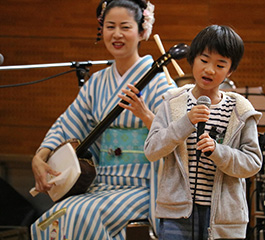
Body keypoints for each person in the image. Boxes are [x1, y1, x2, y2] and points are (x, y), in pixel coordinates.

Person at [30, 0, 177, 239]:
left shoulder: (159, 81)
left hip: (143, 186)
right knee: (52, 218)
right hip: (102, 184)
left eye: (125, 27)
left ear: (142, 31)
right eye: (110, 26)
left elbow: (172, 135)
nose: (117, 34)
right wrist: (40, 156)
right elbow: (68, 122)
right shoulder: (97, 83)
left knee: (81, 215)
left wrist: (146, 115)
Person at [144, 25, 263, 240]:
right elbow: (152, 150)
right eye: (204, 60)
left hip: (224, 215)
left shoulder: (240, 110)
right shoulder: (172, 102)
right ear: (193, 60)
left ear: (230, 71)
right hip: (177, 213)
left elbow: (253, 163)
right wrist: (186, 122)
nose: (209, 69)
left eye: (220, 64)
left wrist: (218, 152)